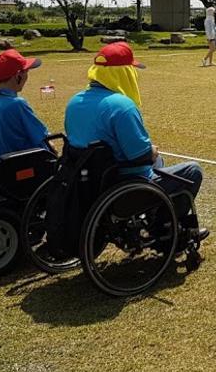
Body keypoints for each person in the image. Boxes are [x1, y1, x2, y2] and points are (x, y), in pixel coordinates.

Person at [65, 42, 205, 236]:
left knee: (159, 162)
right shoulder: (121, 106)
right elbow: (141, 156)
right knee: (192, 170)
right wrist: (153, 150)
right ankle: (166, 228)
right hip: (125, 187)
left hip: (88, 184)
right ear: (123, 73)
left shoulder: (74, 102)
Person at [0, 48, 51, 158]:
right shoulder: (17, 103)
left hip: (8, 162)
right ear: (18, 76)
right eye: (26, 72)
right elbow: (42, 137)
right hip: (25, 162)